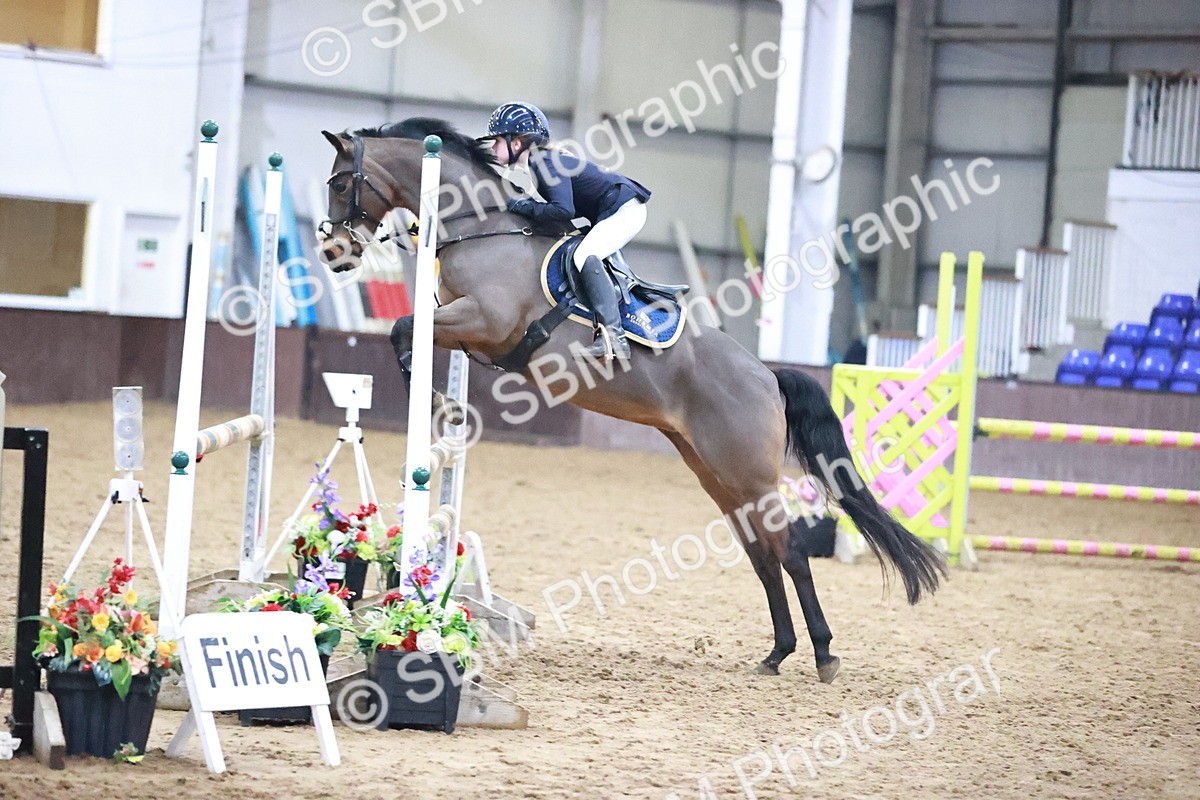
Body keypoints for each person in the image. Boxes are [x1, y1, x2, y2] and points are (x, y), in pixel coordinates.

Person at [480, 101, 651, 361]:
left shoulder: (544, 162)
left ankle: (614, 338)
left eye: (497, 142)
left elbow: (562, 211)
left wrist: (521, 206)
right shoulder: (539, 164)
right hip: (613, 210)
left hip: (625, 210)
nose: (493, 148)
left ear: (516, 143)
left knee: (584, 256)